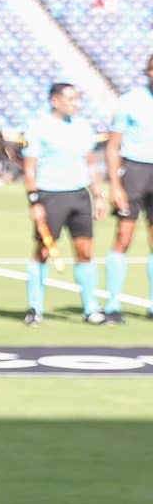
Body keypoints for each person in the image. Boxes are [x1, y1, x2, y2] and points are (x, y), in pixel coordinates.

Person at [22, 82, 106, 326]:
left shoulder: (83, 127)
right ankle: (35, 308)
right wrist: (35, 201)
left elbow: (90, 163)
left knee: (85, 252)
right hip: (50, 195)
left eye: (77, 99)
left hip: (79, 196)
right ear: (55, 101)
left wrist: (98, 195)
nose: (75, 103)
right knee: (43, 250)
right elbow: (30, 169)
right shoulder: (39, 127)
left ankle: (91, 309)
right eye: (70, 99)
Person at [103, 54, 153, 320]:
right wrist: (116, 185)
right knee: (124, 236)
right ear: (148, 71)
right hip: (135, 170)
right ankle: (112, 304)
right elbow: (113, 147)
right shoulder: (130, 101)